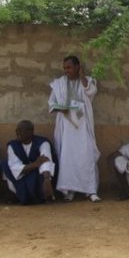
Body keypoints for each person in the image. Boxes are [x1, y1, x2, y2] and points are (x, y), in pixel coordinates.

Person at [48, 55, 101, 202]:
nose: (66, 70)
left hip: (84, 127)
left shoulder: (88, 81)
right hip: (66, 128)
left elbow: (91, 92)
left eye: (69, 67)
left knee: (87, 157)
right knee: (68, 159)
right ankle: (70, 191)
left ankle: (91, 191)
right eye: (64, 68)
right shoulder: (58, 84)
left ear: (78, 67)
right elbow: (51, 104)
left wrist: (83, 75)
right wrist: (62, 109)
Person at [2, 120, 56, 204]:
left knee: (44, 169)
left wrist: (47, 179)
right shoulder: (12, 145)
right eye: (17, 130)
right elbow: (15, 167)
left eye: (21, 130)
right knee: (5, 164)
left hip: (36, 177)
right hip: (21, 176)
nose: (17, 132)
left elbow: (46, 160)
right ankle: (17, 195)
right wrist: (35, 164)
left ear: (31, 131)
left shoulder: (42, 143)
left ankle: (43, 195)